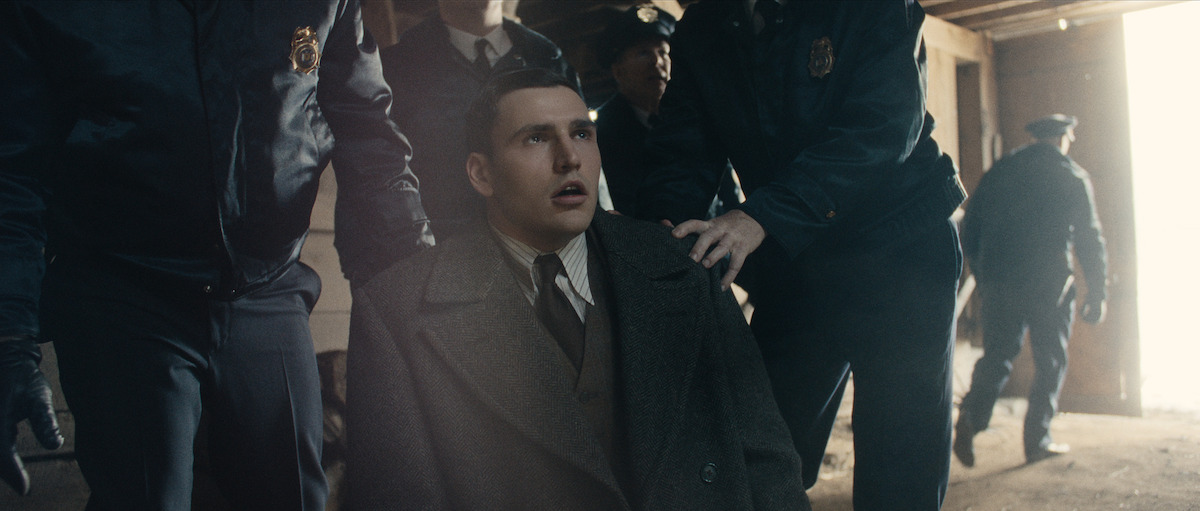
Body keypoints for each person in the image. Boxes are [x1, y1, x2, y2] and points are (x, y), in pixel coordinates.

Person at [0, 1, 432, 508]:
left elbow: (370, 138)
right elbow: (12, 174)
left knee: (294, 496)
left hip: (266, 293)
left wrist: (423, 311)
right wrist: (9, 338)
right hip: (121, 298)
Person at [345, 68, 810, 511]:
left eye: (582, 133)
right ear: (481, 174)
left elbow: (767, 462)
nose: (569, 158)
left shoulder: (683, 266)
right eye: (536, 138)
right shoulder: (397, 311)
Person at [634, 1, 966, 509]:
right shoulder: (705, 24)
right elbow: (686, 143)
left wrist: (762, 216)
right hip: (798, 258)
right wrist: (663, 227)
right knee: (761, 449)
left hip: (900, 252)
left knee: (899, 467)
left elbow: (883, 128)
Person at [367, 0, 580, 263]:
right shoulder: (394, 70)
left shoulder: (549, 62)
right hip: (441, 265)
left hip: (544, 262)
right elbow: (371, 180)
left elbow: (582, 163)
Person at [954, 114, 1108, 466]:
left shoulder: (1001, 171)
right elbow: (1089, 238)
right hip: (1051, 286)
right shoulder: (1072, 176)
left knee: (998, 356)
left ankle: (972, 420)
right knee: (1050, 361)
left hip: (1001, 284)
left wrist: (983, 272)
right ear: (1063, 139)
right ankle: (1037, 440)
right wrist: (1097, 292)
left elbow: (971, 223)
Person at [593, 3, 739, 219]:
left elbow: (727, 189)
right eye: (643, 53)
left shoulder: (695, 115)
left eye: (663, 52)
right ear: (618, 70)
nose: (657, 62)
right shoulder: (600, 133)